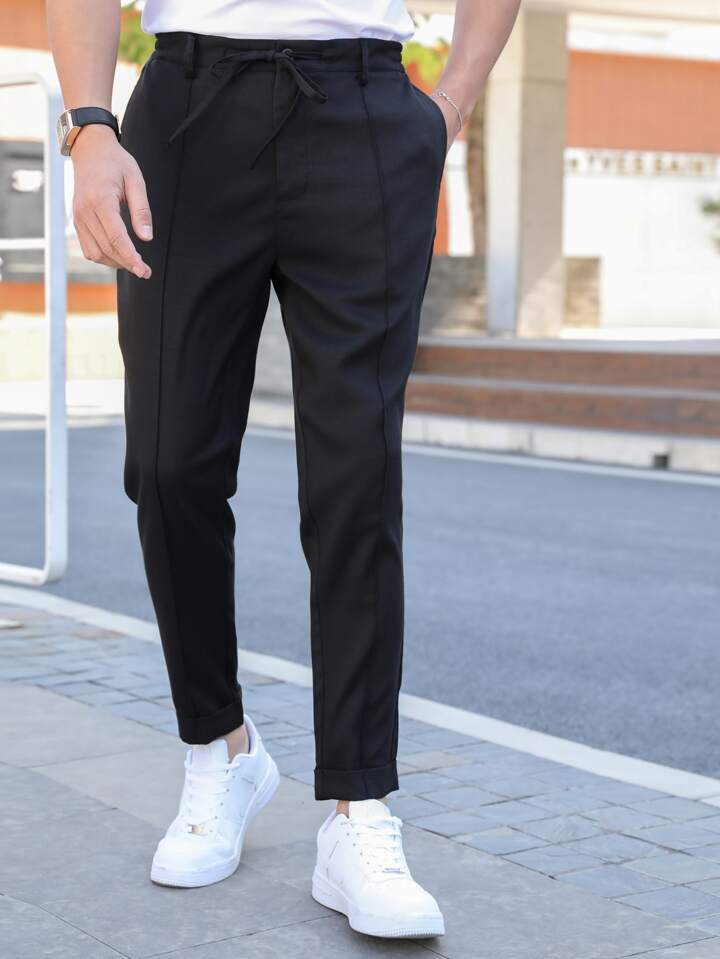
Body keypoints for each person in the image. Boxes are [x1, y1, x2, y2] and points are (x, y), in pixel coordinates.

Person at [48, 0, 520, 939]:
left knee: (355, 478)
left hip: (364, 109)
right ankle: (221, 748)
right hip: (185, 112)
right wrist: (89, 126)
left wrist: (452, 103)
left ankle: (358, 808)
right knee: (168, 464)